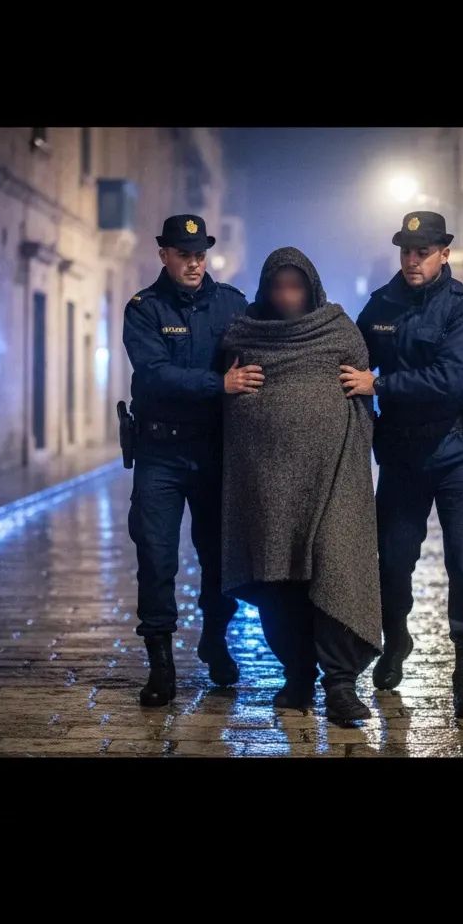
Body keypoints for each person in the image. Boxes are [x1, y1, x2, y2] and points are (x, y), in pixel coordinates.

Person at [344, 211, 463, 719]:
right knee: (390, 560)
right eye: (407, 251)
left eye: (423, 251)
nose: (413, 260)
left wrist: (381, 385)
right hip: (404, 454)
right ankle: (396, 642)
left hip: (460, 452)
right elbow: (348, 356)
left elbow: (449, 379)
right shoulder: (381, 304)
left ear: (444, 253)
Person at [221, 247, 382, 726]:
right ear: (265, 289)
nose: (286, 295)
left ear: (311, 287)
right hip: (267, 482)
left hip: (334, 477)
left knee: (334, 569)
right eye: (278, 286)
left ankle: (340, 684)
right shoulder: (244, 333)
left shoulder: (338, 329)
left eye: (295, 286)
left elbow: (360, 397)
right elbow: (229, 399)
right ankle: (296, 676)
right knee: (279, 582)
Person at [122, 214, 263, 707]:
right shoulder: (144, 309)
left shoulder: (233, 305)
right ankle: (160, 665)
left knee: (220, 560)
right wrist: (217, 384)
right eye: (184, 254)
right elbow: (154, 373)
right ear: (164, 254)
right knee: (156, 557)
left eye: (200, 254)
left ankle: (216, 640)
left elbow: (265, 355)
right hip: (160, 452)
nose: (194, 263)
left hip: (215, 450)